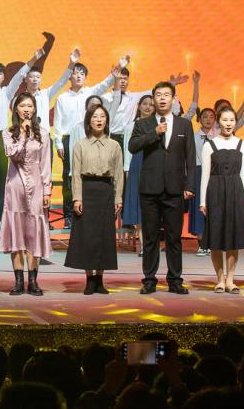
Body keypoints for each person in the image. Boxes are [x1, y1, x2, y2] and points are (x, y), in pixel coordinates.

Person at [127, 81, 197, 295]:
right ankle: (149, 280)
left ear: (173, 99)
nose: (163, 98)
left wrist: (190, 185)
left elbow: (190, 157)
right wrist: (154, 133)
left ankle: (175, 280)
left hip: (175, 189)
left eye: (167, 95)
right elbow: (132, 146)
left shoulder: (184, 125)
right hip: (150, 189)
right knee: (150, 238)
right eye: (158, 95)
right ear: (154, 98)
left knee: (174, 238)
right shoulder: (143, 124)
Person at [0, 40, 47, 227]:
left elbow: (20, 75)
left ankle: (0, 219)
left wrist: (33, 59)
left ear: (3, 76)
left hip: (1, 138)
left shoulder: (6, 93)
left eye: (0, 73)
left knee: (2, 180)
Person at [55, 56, 128, 228]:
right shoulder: (62, 98)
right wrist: (58, 142)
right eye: (75, 73)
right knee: (69, 176)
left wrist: (117, 72)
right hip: (70, 138)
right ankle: (69, 215)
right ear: (69, 76)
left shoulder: (91, 93)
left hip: (93, 138)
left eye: (82, 73)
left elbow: (106, 85)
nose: (79, 76)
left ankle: (96, 212)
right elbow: (57, 121)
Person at [0, 92, 52, 297]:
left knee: (33, 232)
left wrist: (47, 190)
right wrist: (23, 136)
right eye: (22, 106)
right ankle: (18, 281)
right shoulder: (8, 133)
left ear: (34, 109)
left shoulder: (43, 134)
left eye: (29, 106)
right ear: (16, 110)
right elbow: (12, 154)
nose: (26, 109)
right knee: (16, 233)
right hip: (15, 186)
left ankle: (33, 281)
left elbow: (45, 163)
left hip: (36, 187)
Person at [65, 104, 124, 295]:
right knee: (88, 237)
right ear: (88, 121)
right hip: (87, 191)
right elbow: (75, 174)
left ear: (107, 120)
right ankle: (89, 279)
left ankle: (100, 279)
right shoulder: (80, 145)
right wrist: (77, 198)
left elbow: (119, 174)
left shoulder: (114, 145)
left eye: (102, 116)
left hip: (106, 191)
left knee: (104, 237)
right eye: (95, 117)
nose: (99, 120)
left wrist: (118, 198)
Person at [199, 107, 244, 294]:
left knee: (232, 238)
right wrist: (203, 201)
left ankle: (230, 280)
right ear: (218, 122)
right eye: (225, 120)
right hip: (215, 192)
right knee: (216, 238)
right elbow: (205, 175)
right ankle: (220, 279)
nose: (228, 124)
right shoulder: (209, 145)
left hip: (236, 192)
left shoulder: (242, 144)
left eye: (231, 120)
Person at [122, 95, 155, 253]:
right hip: (136, 165)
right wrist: (128, 171)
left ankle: (151, 243)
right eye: (145, 104)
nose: (148, 107)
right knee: (139, 205)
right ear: (139, 106)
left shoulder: (158, 125)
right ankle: (143, 245)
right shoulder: (131, 126)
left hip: (153, 164)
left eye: (151, 104)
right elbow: (127, 150)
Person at [191, 104, 217, 258]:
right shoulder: (193, 137)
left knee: (214, 207)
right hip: (198, 172)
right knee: (199, 208)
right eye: (205, 117)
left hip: (215, 174)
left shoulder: (219, 137)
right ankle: (201, 244)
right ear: (199, 119)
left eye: (211, 117)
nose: (208, 120)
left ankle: (213, 242)